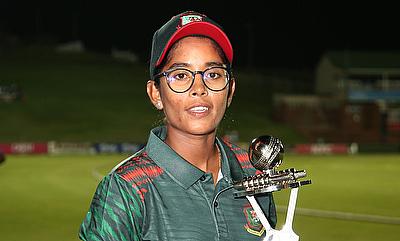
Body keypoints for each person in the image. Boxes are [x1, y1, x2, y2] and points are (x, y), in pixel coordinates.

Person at [79, 10, 277, 241]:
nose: (199, 88)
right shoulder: (126, 188)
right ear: (156, 94)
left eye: (213, 74)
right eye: (180, 75)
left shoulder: (253, 173)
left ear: (230, 89)